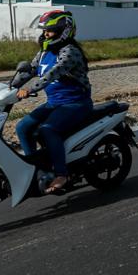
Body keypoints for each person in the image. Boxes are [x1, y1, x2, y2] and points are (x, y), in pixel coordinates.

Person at [15, 10, 92, 193]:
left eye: (50, 31)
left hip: (75, 103)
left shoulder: (70, 52)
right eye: (44, 31)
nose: (45, 34)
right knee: (22, 127)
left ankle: (61, 174)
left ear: (64, 31)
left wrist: (29, 89)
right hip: (54, 103)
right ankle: (36, 168)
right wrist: (9, 87)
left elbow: (53, 73)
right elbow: (30, 70)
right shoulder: (43, 52)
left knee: (48, 130)